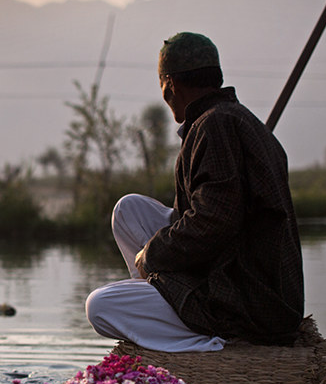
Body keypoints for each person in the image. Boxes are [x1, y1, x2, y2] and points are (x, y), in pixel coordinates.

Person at [85, 32, 304, 352]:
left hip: (247, 303)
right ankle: (168, 304)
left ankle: (206, 342)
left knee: (100, 307)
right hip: (232, 272)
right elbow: (211, 215)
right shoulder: (234, 119)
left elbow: (213, 221)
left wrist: (153, 253)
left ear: (170, 84)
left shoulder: (214, 126)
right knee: (129, 210)